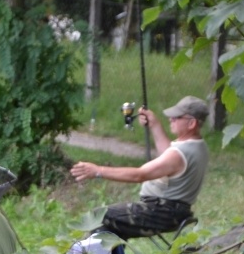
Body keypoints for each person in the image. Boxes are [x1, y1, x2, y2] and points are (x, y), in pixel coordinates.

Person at [70, 95, 210, 239]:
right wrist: (154, 125)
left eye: (177, 117)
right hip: (175, 213)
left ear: (192, 123)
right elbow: (168, 157)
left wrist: (98, 171)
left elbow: (139, 175)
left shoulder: (181, 153)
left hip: (160, 213)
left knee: (97, 217)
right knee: (111, 226)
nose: (171, 119)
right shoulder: (198, 146)